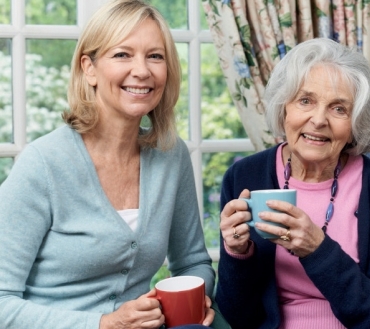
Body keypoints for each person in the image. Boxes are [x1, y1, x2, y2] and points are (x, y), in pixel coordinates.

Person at [0, 1, 215, 328]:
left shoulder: (172, 155)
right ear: (89, 68)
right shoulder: (43, 163)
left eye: (155, 56)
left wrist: (192, 302)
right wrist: (103, 324)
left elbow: (193, 264)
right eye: (122, 54)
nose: (142, 70)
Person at [216, 38, 370, 328]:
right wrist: (237, 254)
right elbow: (237, 316)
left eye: (339, 109)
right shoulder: (244, 178)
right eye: (305, 101)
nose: (318, 120)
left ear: (356, 124)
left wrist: (318, 250)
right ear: (284, 108)